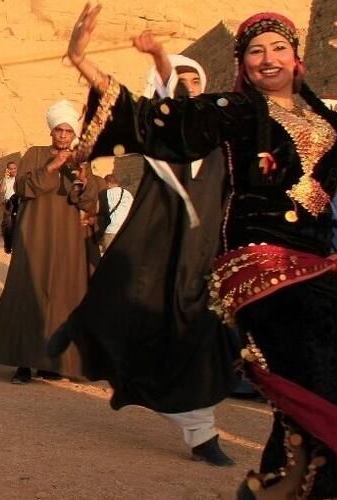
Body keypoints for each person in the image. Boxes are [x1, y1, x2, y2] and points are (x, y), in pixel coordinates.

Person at [62, 6, 337, 497]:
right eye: (256, 51)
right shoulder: (237, 112)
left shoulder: (327, 120)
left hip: (318, 267)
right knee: (322, 372)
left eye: (279, 47)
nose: (268, 58)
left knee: (317, 391)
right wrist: (80, 59)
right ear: (243, 63)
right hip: (261, 264)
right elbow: (157, 119)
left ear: (297, 57)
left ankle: (281, 486)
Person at [52, 47, 240, 467]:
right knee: (141, 318)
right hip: (162, 250)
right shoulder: (158, 135)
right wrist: (83, 60)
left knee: (207, 341)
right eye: (178, 81)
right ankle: (202, 433)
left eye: (194, 80)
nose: (188, 87)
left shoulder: (224, 138)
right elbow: (118, 103)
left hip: (208, 254)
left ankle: (200, 427)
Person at [0, 99, 103, 384]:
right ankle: (23, 363)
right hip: (34, 237)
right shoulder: (36, 154)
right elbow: (25, 188)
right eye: (58, 130)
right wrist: (52, 167)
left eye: (68, 131)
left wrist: (83, 180)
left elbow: (88, 202)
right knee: (28, 293)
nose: (63, 135)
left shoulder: (82, 160)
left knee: (63, 299)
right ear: (52, 131)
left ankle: (52, 361)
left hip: (69, 241)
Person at [97, 173, 134, 253]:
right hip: (125, 229)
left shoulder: (104, 194)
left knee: (110, 259)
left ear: (108, 183)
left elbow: (99, 211)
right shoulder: (128, 194)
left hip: (111, 230)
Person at [0, 161, 19, 253]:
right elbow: (1, 190)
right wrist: (4, 178)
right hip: (9, 204)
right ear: (7, 170)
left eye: (14, 168)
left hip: (19, 201)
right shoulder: (5, 180)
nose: (13, 170)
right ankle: (8, 245)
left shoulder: (20, 178)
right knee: (8, 224)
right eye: (11, 169)